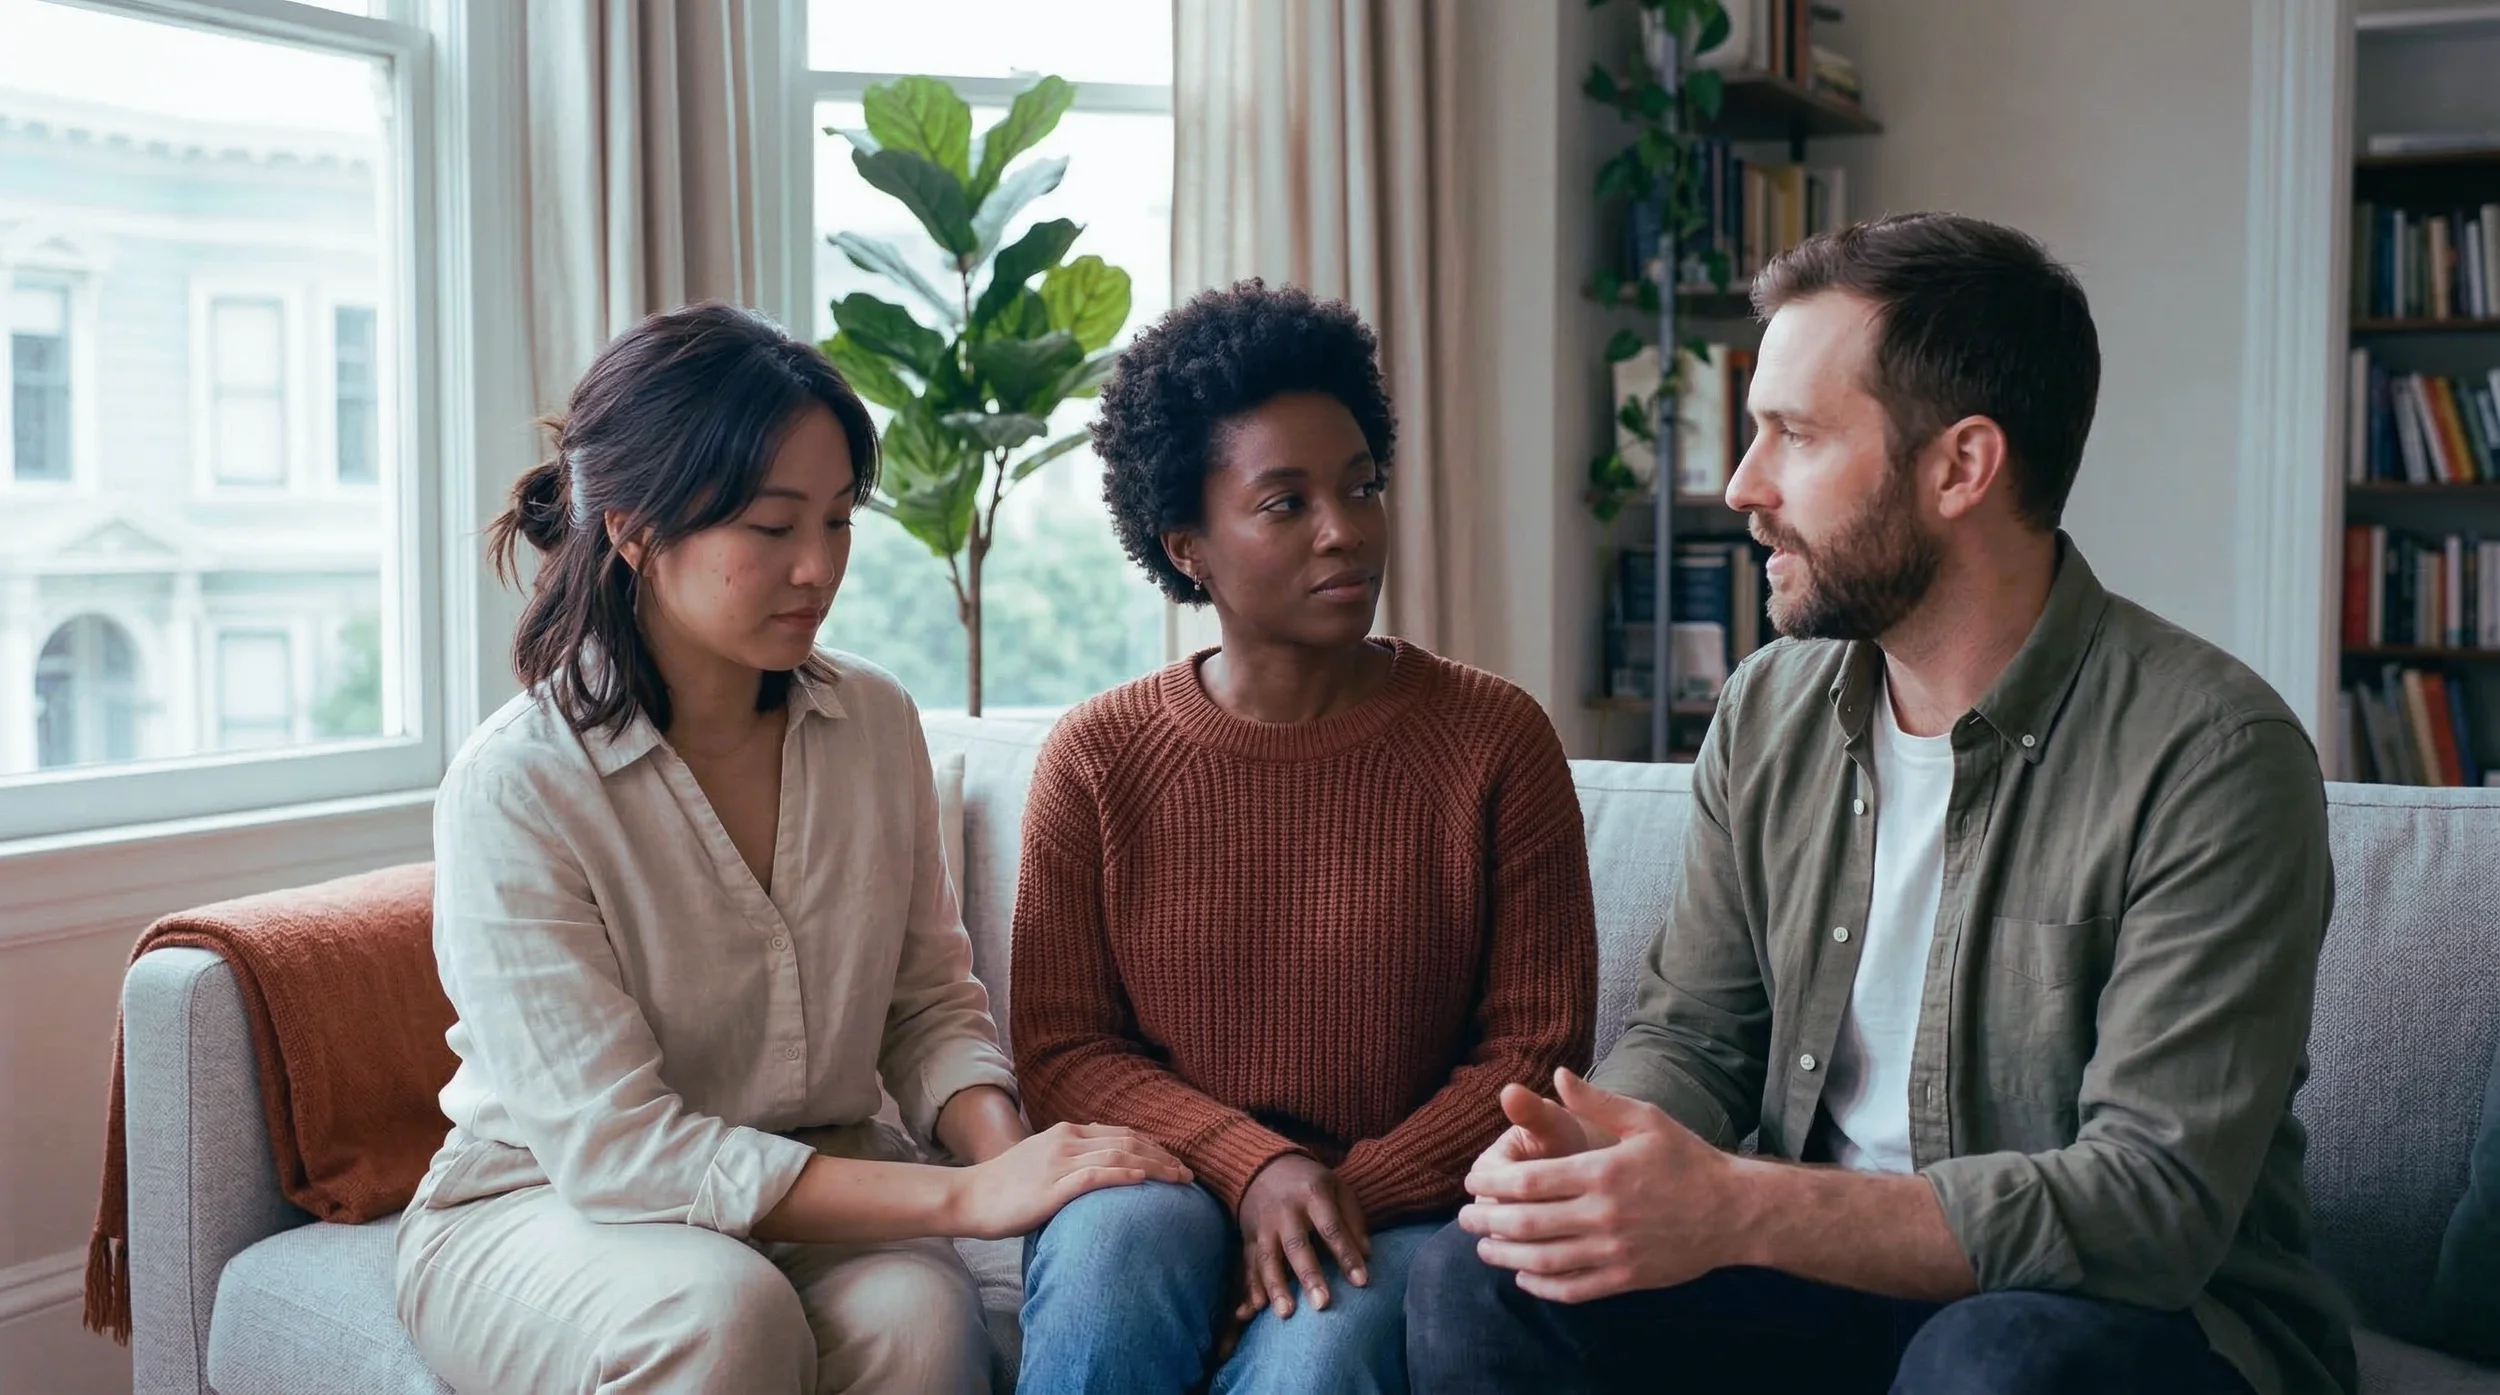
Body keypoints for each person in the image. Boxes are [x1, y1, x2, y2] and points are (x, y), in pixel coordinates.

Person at [1404, 213, 2358, 1395]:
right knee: (1482, 1274)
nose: (1743, 486)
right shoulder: (1769, 709)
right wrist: (1596, 1159)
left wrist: (1739, 1208)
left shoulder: (2213, 757)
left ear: (1961, 466)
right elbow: (1697, 1034)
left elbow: (2147, 1205)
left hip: (2126, 1326)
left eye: (1792, 435)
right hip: (1820, 1286)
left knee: (1993, 1361)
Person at [393, 302, 1188, 1395]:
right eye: (771, 529)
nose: (818, 568)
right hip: (551, 1206)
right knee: (721, 1314)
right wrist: (960, 1201)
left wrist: (1013, 1162)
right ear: (632, 527)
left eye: (838, 522)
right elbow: (621, 1152)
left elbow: (928, 1009)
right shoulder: (519, 787)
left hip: (824, 1181)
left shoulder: (872, 724)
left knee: (922, 1319)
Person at [1008, 280, 1599, 1395]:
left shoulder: (1494, 739)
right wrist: (1253, 1169)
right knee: (1112, 1267)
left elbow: (1534, 1055)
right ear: (1187, 545)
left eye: (1361, 485)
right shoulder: (1096, 758)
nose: (1347, 530)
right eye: (1285, 503)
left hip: (1405, 1205)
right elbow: (1064, 1052)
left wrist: (1336, 1198)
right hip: (1164, 1184)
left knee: (1316, 1360)